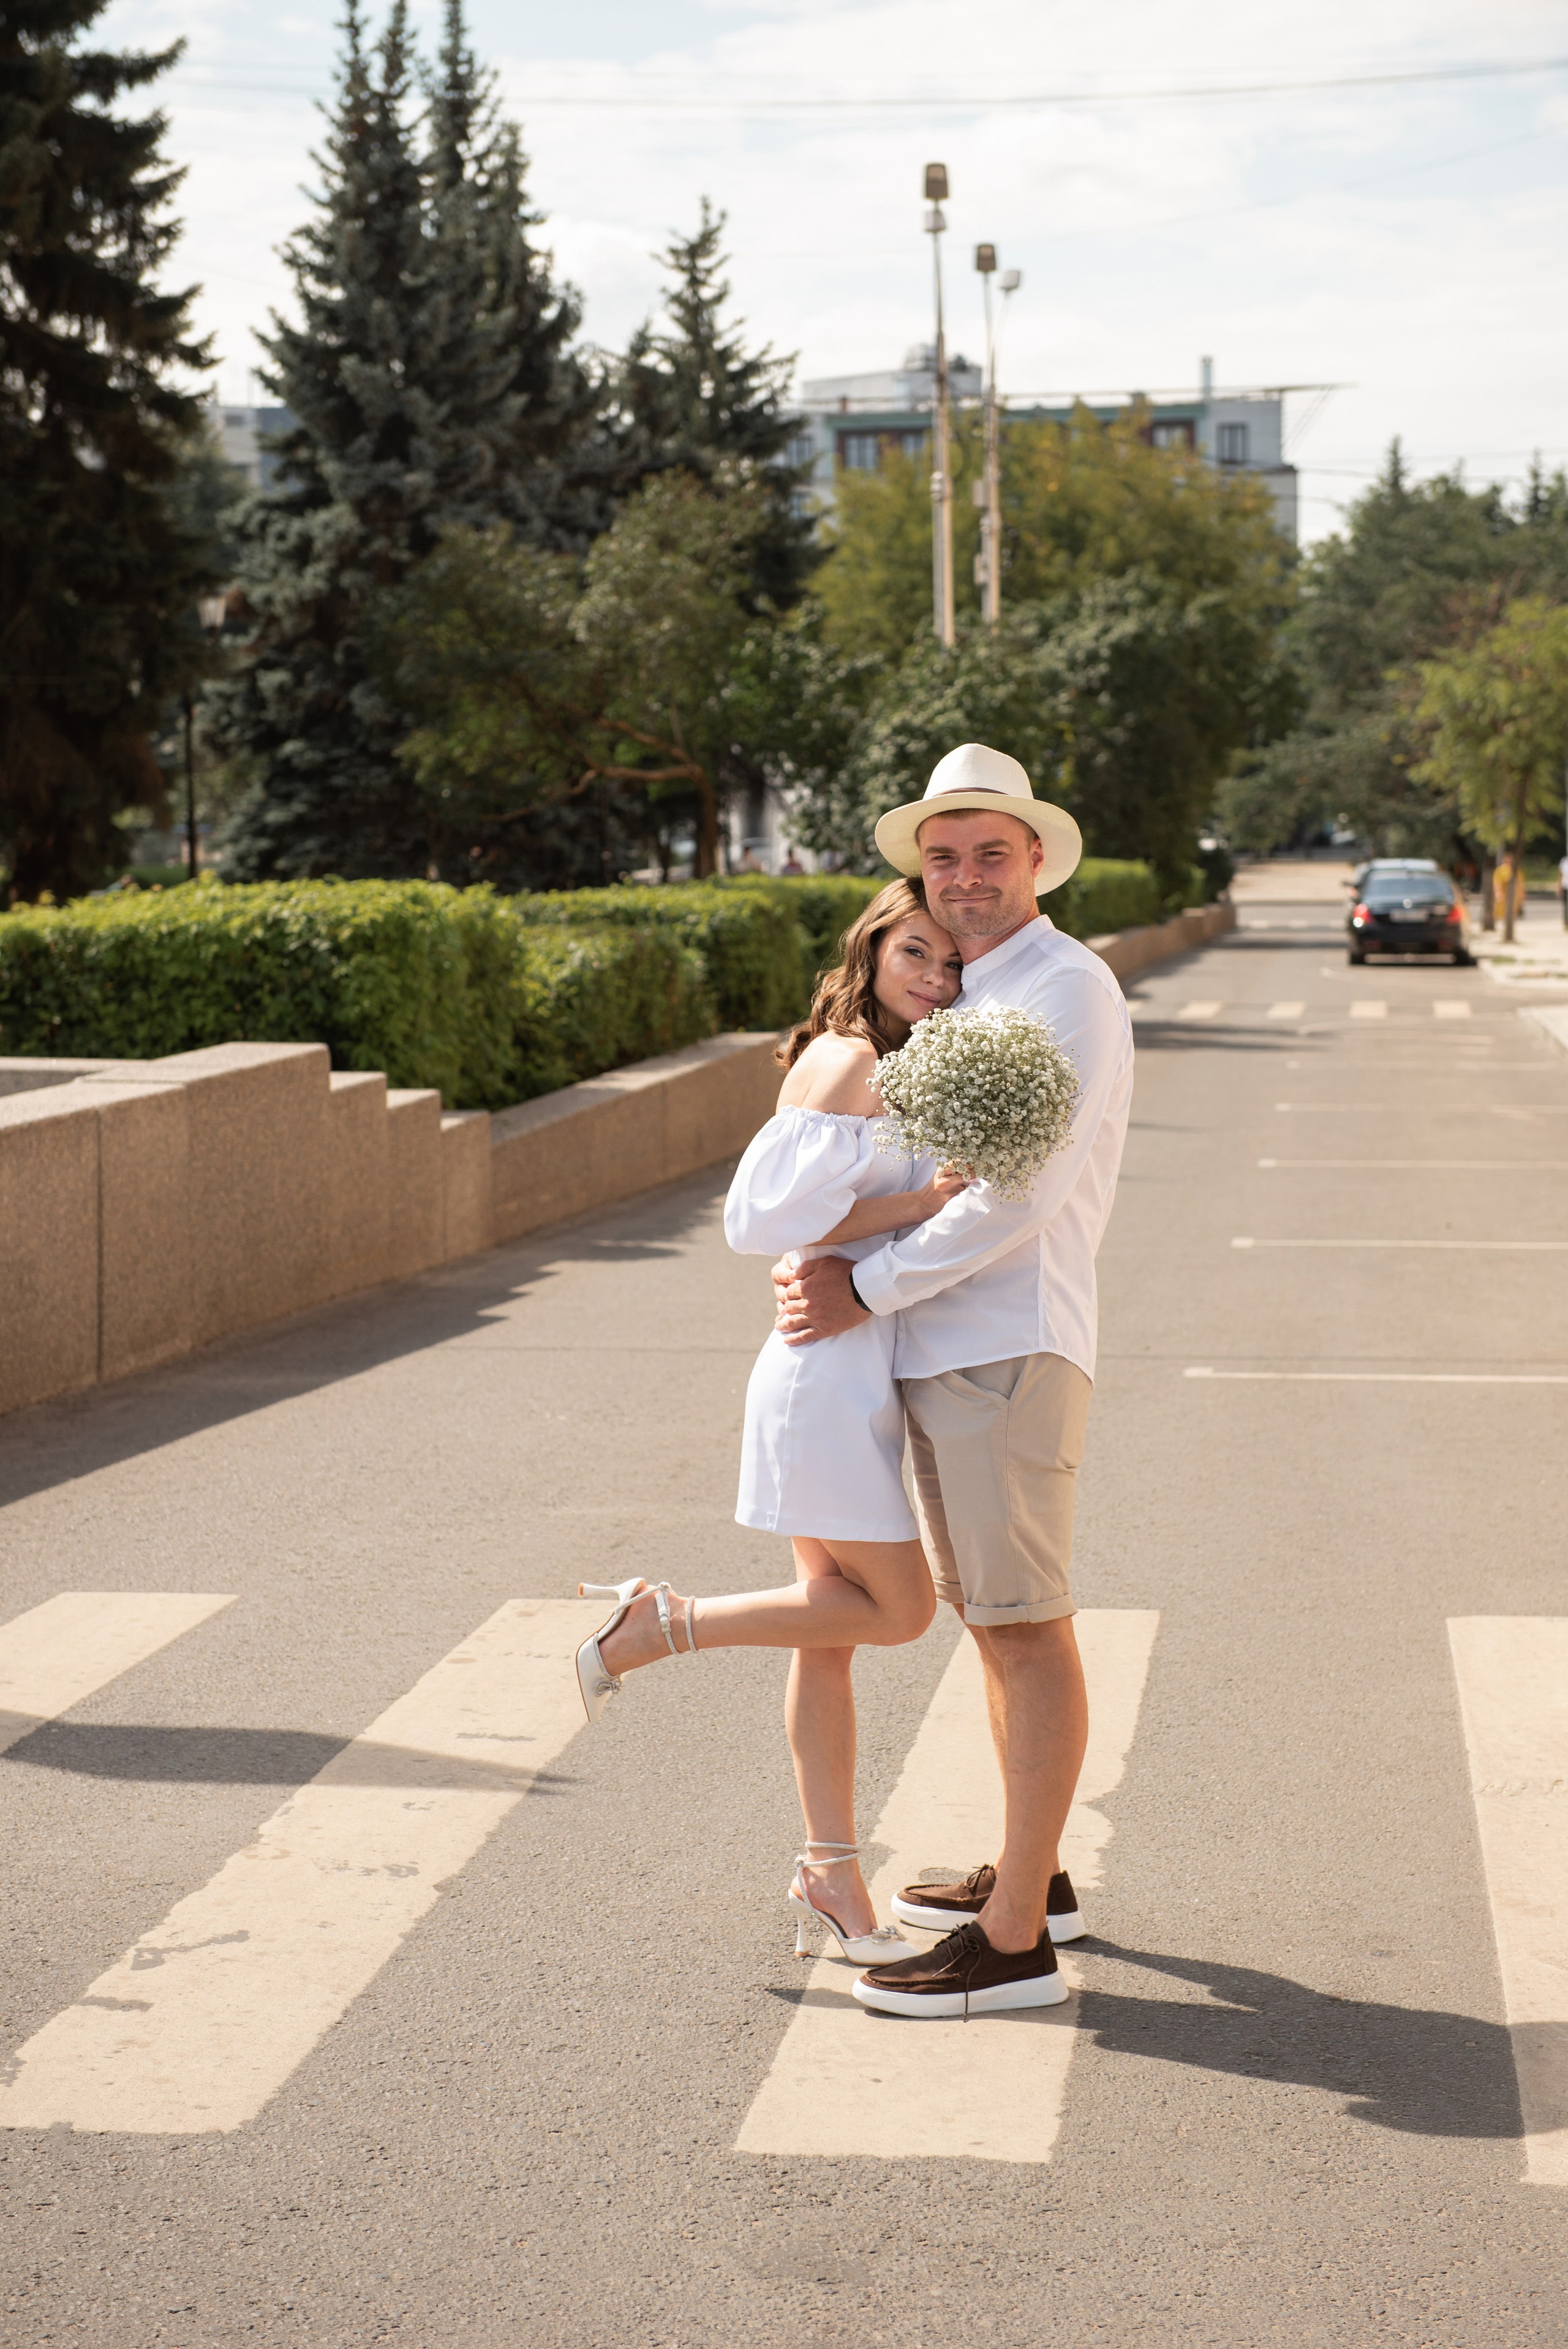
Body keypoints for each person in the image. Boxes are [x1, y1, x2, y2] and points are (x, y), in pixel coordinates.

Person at [774, 742, 1134, 2020]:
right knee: (996, 1621)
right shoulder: (984, 985)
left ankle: (1015, 1938)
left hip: (1001, 1345)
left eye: (990, 852)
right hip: (953, 1345)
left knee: (1022, 1626)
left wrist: (859, 1286)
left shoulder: (1061, 990)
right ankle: (1027, 1872)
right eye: (944, 857)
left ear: (1034, 858)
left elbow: (1013, 1199)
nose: (965, 876)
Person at [573, 880, 967, 1962]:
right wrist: (924, 1202)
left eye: (949, 967)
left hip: (849, 1363)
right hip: (823, 1376)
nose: (933, 980)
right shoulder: (849, 1060)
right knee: (898, 1613)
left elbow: (828, 1226)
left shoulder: (906, 1068)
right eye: (915, 955)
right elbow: (763, 1217)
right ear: (874, 950)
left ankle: (831, 1877)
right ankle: (663, 1624)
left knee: (827, 1627)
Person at [1558, 849, 1568, 929]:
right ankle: (1566, 923)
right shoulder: (1564, 861)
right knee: (1566, 906)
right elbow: (1560, 875)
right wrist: (1559, 887)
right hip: (1565, 886)